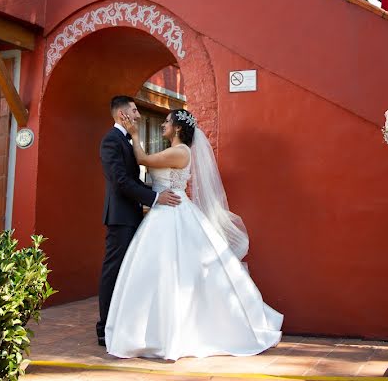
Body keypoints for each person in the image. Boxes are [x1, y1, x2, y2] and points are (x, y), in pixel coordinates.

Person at [105, 108, 283, 361]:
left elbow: (143, 159)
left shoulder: (180, 151)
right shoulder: (175, 150)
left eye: (166, 122)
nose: (162, 125)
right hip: (164, 209)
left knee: (177, 272)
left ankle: (177, 333)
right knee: (157, 272)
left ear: (178, 128)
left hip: (173, 212)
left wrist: (134, 133)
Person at [97, 96, 181, 348]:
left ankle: (123, 323)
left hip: (134, 215)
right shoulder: (110, 141)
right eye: (134, 110)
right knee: (113, 271)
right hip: (120, 217)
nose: (138, 115)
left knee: (129, 272)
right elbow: (121, 181)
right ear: (122, 114)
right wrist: (155, 196)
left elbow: (134, 177)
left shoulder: (127, 139)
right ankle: (104, 328)